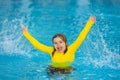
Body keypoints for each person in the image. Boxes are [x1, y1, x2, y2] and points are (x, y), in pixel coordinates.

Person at [20, 16, 96, 75]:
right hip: (53, 68)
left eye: (60, 42)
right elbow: (38, 45)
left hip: (67, 68)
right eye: (55, 43)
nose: (58, 45)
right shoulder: (52, 50)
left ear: (66, 43)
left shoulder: (72, 48)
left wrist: (89, 23)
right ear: (53, 45)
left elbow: (81, 37)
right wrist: (26, 33)